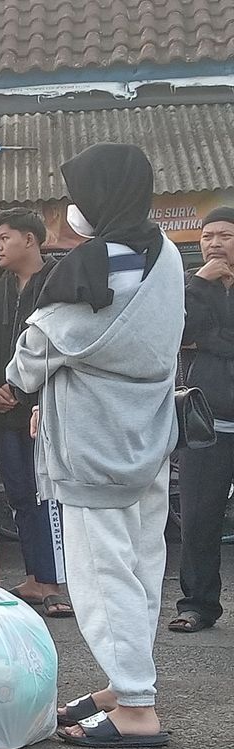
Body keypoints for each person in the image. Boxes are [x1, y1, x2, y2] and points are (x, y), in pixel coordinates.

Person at [7, 143, 181, 748]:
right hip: (148, 429)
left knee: (100, 572)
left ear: (101, 194)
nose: (72, 206)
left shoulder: (99, 263)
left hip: (94, 438)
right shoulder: (165, 256)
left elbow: (45, 346)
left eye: (79, 193)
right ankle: (125, 682)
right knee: (141, 564)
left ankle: (135, 706)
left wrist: (18, 377)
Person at [0, 207, 71, 618]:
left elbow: (63, 345)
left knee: (51, 495)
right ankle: (35, 577)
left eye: (4, 237)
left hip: (44, 412)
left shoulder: (59, 283)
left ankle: (57, 582)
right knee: (19, 495)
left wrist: (26, 394)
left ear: (30, 239)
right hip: (3, 413)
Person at [172, 206, 234, 634]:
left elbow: (202, 340)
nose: (213, 243)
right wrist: (198, 285)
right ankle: (197, 605)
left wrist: (209, 342)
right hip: (207, 423)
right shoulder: (193, 286)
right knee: (197, 518)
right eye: (207, 236)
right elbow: (177, 334)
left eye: (224, 235)